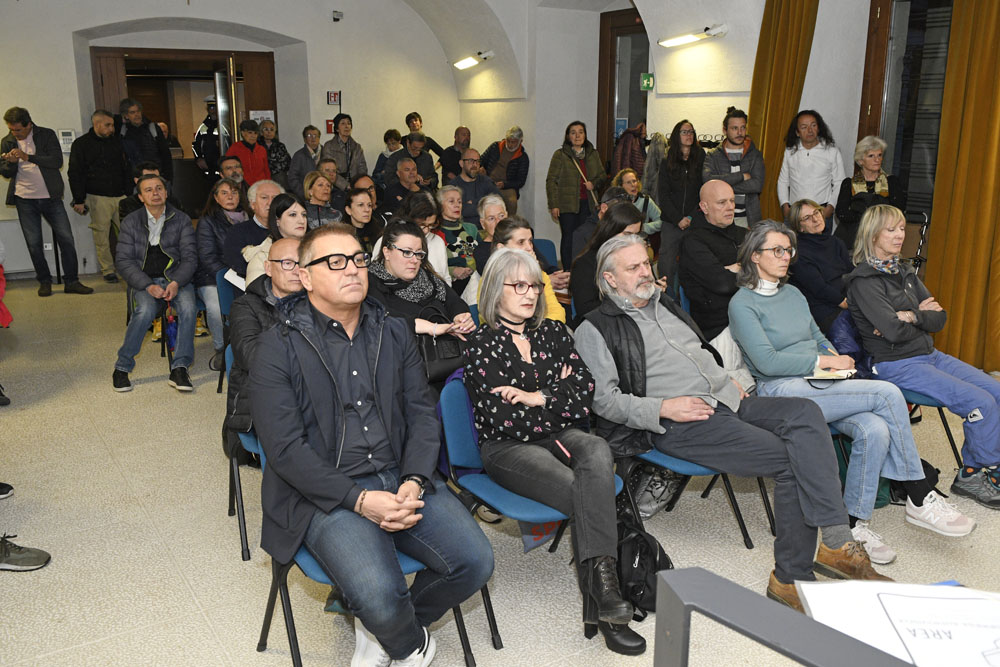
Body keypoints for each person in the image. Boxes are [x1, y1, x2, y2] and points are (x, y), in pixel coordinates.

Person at [575, 234, 891, 614]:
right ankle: (791, 576)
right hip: (679, 421)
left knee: (805, 413)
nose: (646, 272)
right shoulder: (594, 328)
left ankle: (835, 538)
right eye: (634, 267)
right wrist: (662, 407)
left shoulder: (666, 304)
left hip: (725, 400)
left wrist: (728, 380)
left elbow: (700, 353)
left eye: (646, 262)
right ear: (610, 279)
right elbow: (602, 400)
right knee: (790, 459)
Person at [249, 224, 494, 666]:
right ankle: (406, 641)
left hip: (400, 474)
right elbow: (285, 450)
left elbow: (422, 413)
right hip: (327, 492)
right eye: (335, 262)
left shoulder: (393, 331)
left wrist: (416, 479)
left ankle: (384, 627)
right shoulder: (275, 347)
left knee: (475, 562)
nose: (352, 270)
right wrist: (359, 500)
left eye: (359, 259)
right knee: (380, 591)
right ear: (305, 277)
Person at [729, 220, 974, 563]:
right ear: (755, 256)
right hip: (780, 392)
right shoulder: (742, 303)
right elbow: (767, 362)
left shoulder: (793, 294)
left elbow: (817, 337)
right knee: (887, 393)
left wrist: (835, 358)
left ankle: (853, 522)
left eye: (789, 250)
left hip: (818, 383)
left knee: (874, 428)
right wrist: (821, 363)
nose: (786, 257)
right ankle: (919, 494)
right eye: (777, 250)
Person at [465, 247, 645, 656]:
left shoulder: (552, 333)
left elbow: (585, 394)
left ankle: (603, 592)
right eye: (519, 286)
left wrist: (536, 397)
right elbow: (505, 420)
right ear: (495, 291)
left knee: (598, 448)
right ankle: (607, 602)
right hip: (507, 449)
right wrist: (555, 396)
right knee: (580, 488)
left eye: (536, 284)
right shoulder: (481, 344)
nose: (530, 294)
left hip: (559, 433)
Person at [845, 204, 1000, 510]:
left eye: (902, 228)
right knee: (980, 402)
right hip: (895, 364)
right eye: (891, 229)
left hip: (928, 354)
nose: (900, 235)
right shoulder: (863, 281)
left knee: (996, 390)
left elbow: (940, 319)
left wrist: (910, 317)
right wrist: (917, 317)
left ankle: (985, 468)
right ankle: (973, 475)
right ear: (873, 234)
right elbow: (891, 330)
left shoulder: (904, 271)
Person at [113, 174, 197, 392]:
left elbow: (190, 258)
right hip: (145, 281)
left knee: (189, 308)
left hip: (176, 278)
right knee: (145, 311)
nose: (155, 193)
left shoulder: (181, 219)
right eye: (148, 190)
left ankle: (179, 368)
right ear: (141, 197)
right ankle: (122, 367)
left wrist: (177, 282)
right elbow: (123, 261)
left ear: (166, 192)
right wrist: (147, 285)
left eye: (159, 188)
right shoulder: (131, 221)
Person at [225, 237, 305, 461]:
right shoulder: (245, 306)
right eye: (288, 263)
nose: (296, 271)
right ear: (268, 268)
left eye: (302, 263)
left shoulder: (317, 302)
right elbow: (252, 358)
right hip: (263, 403)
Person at [1, 107, 93, 297]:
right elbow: (6, 172)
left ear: (29, 124)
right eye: (11, 129)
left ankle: (72, 281)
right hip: (24, 199)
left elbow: (56, 161)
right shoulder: (7, 141)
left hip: (50, 197)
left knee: (66, 238)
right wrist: (10, 162)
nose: (14, 133)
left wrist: (28, 157)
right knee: (34, 243)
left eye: (18, 129)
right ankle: (44, 281)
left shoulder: (46, 135)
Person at [369, 220, 474, 382]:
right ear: (387, 252)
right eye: (407, 252)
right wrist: (433, 328)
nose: (414, 260)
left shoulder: (428, 277)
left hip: (449, 361)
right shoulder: (371, 282)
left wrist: (461, 317)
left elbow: (454, 301)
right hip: (404, 370)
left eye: (419, 254)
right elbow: (384, 319)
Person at [68, 109, 131, 283]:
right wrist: (79, 199)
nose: (112, 128)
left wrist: (129, 192)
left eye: (112, 125)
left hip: (121, 195)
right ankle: (108, 270)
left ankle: (129, 267)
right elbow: (75, 172)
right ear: (96, 124)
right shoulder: (81, 144)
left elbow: (125, 167)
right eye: (108, 125)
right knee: (101, 236)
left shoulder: (116, 142)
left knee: (128, 234)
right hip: (97, 196)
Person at [678, 180, 746, 341]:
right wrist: (750, 269)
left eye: (732, 201)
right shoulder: (692, 241)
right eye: (722, 202)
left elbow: (771, 271)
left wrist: (733, 268)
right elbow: (724, 284)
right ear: (704, 207)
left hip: (752, 313)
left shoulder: (745, 235)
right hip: (718, 326)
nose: (730, 207)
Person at [196, 178, 252, 368]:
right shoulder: (208, 221)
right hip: (213, 277)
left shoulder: (250, 218)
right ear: (216, 198)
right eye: (224, 193)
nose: (230, 197)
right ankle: (221, 348)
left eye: (234, 192)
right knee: (215, 307)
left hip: (245, 274)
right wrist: (230, 276)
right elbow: (207, 257)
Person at [546, 120, 608, 269]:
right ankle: (568, 270)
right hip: (567, 206)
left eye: (581, 132)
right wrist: (553, 205)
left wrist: (593, 183)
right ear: (568, 137)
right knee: (569, 238)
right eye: (573, 133)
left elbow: (602, 176)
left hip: (589, 204)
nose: (577, 135)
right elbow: (551, 180)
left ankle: (584, 269)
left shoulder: (593, 154)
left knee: (588, 238)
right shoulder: (560, 155)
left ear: (585, 135)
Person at [569, 202, 642, 326]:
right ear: (611, 230)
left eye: (636, 235)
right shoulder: (586, 263)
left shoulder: (638, 258)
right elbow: (585, 309)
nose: (632, 241)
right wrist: (628, 303)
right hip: (601, 328)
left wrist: (652, 290)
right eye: (627, 234)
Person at [787, 198, 853, 334]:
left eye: (816, 213)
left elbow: (851, 274)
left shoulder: (836, 242)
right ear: (800, 227)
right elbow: (819, 288)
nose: (816, 219)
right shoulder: (798, 252)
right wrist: (845, 302)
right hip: (823, 310)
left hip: (848, 301)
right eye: (807, 218)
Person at [485, 218, 565, 324]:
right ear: (501, 248)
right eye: (521, 242)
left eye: (530, 241)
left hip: (542, 331)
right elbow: (493, 319)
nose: (529, 248)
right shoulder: (491, 279)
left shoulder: (541, 275)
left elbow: (557, 311)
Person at [835, 136, 906, 251]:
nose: (877, 160)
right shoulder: (849, 183)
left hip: (882, 237)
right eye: (871, 156)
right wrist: (865, 220)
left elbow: (898, 211)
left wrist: (876, 223)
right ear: (860, 160)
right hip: (853, 236)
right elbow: (841, 213)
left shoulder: (891, 182)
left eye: (879, 155)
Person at [657, 120, 705, 284]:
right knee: (666, 266)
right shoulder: (666, 161)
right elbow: (663, 195)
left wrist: (691, 217)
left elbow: (703, 192)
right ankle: (667, 300)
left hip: (695, 220)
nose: (688, 135)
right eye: (684, 132)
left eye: (691, 131)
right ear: (677, 136)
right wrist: (678, 219)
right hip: (671, 222)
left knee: (694, 265)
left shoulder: (701, 159)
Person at [777, 110, 845, 222]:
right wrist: (785, 205)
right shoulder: (790, 151)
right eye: (804, 127)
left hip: (821, 212)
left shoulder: (832, 151)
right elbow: (783, 181)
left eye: (813, 125)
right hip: (796, 212)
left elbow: (839, 182)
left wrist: (830, 207)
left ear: (818, 128)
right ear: (797, 132)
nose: (810, 130)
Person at [702, 107, 765, 228]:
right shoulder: (713, 155)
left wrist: (721, 185)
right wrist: (742, 176)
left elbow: (756, 185)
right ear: (725, 130)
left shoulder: (755, 154)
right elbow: (707, 181)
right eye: (734, 128)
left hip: (748, 220)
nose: (740, 132)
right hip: (719, 220)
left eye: (743, 127)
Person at [223, 179, 283, 278]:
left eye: (275, 198)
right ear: (252, 204)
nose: (270, 202)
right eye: (264, 198)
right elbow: (239, 266)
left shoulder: (290, 230)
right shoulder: (237, 232)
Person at [245, 193, 308, 284]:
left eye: (304, 215)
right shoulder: (262, 258)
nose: (302, 221)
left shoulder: (316, 251)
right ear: (277, 220)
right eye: (293, 215)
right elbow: (255, 296)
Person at [116, 98, 172, 180]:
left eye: (138, 111)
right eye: (132, 112)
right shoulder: (123, 131)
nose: (137, 114)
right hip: (135, 178)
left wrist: (167, 177)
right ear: (126, 115)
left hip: (156, 175)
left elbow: (165, 154)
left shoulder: (153, 128)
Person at [437, 186, 478, 292]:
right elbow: (430, 266)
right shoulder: (435, 233)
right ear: (440, 206)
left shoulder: (471, 228)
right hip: (448, 286)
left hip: (475, 283)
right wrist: (452, 271)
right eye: (451, 201)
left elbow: (481, 255)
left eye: (459, 202)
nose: (457, 205)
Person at [481, 126, 530, 216]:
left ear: (520, 141)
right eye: (508, 141)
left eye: (513, 142)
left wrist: (504, 184)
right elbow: (481, 160)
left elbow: (520, 181)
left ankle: (509, 225)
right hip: (487, 181)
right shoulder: (495, 146)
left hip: (507, 187)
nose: (510, 144)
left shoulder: (522, 157)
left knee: (512, 201)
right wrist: (481, 168)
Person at [449, 148, 499, 221]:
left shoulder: (486, 181)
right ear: (461, 163)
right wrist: (483, 204)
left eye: (478, 161)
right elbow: (453, 212)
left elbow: (498, 203)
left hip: (486, 228)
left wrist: (471, 204)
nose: (475, 165)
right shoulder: (453, 186)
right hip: (463, 229)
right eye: (471, 161)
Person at [321, 113, 367, 190]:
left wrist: (357, 184)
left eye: (349, 123)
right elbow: (329, 171)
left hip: (355, 186)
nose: (347, 126)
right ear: (337, 128)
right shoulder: (329, 146)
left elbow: (362, 168)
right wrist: (345, 186)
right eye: (343, 123)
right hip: (335, 187)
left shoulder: (357, 147)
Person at [611, 168, 660, 235]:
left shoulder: (646, 200)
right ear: (620, 186)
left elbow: (661, 221)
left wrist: (643, 227)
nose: (633, 185)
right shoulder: (615, 202)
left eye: (634, 181)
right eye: (628, 182)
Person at [225, 120, 271, 187]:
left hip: (260, 186)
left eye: (255, 133)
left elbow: (266, 170)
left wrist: (268, 184)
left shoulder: (262, 150)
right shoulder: (234, 148)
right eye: (250, 133)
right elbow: (227, 168)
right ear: (243, 133)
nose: (253, 136)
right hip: (242, 186)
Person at [192, 96, 225, 176]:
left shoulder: (225, 125)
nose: (213, 110)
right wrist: (199, 159)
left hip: (222, 165)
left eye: (215, 107)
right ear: (208, 109)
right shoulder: (203, 126)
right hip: (207, 167)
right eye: (211, 107)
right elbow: (195, 145)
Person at [287, 125, 322, 199]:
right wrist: (304, 193)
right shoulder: (299, 155)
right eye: (309, 135)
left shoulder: (326, 152)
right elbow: (292, 178)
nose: (313, 138)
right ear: (305, 139)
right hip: (305, 196)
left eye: (315, 135)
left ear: (319, 138)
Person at [343, 186, 380, 255]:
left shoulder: (378, 232)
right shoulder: (342, 235)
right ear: (348, 210)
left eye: (369, 205)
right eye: (360, 205)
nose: (367, 210)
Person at [258, 120, 291, 190]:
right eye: (266, 129)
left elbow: (286, 163)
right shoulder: (257, 146)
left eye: (272, 129)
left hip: (278, 177)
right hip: (262, 176)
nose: (269, 132)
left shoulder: (280, 146)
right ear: (261, 132)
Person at [373, 128, 403, 194]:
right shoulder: (383, 155)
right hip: (383, 182)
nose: (391, 147)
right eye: (389, 144)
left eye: (393, 143)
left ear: (399, 141)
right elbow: (375, 173)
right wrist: (383, 172)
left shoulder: (404, 154)